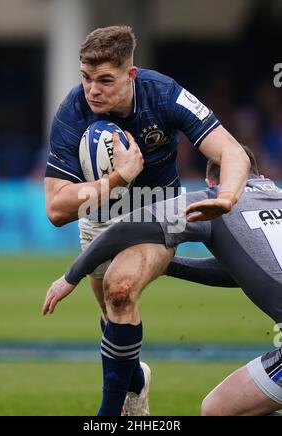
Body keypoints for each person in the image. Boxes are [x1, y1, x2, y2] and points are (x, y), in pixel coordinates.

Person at [44, 25, 250, 416]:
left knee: (121, 291)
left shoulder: (164, 94)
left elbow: (232, 152)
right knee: (112, 318)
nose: (93, 90)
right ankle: (136, 381)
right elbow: (56, 209)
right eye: (86, 79)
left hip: (158, 210)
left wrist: (227, 197)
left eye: (105, 80)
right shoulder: (72, 110)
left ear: (131, 75)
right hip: (99, 218)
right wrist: (117, 179)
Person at [43, 146, 282, 416]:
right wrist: (169, 267)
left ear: (211, 182)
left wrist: (71, 276)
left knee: (218, 412)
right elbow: (247, 272)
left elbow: (126, 228)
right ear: (258, 176)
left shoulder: (211, 202)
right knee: (222, 408)